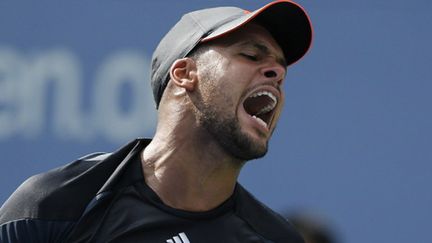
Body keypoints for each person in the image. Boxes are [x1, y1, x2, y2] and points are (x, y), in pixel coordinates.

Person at [0, 1, 312, 242]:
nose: (277, 72)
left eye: (280, 67)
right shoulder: (52, 207)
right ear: (184, 73)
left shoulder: (275, 238)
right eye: (251, 55)